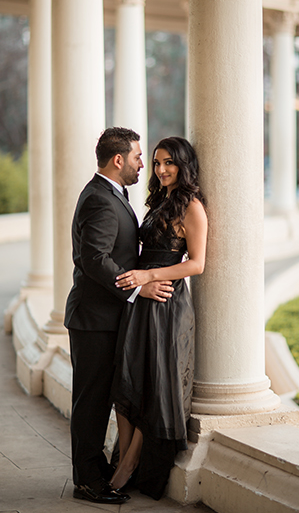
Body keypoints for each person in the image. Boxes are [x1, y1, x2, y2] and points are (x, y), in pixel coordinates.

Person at [65, 127, 174, 505]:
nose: (143, 163)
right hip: (93, 320)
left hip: (106, 318)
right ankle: (87, 481)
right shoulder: (99, 198)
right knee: (91, 402)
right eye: (139, 157)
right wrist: (138, 287)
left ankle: (95, 471)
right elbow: (94, 259)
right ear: (118, 160)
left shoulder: (111, 194)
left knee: (100, 399)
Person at [109, 136, 207, 500]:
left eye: (169, 163)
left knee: (154, 382)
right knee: (127, 378)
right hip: (141, 299)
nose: (161, 169)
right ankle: (123, 455)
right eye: (155, 163)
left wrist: (148, 277)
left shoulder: (192, 206)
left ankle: (131, 462)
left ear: (183, 165)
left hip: (166, 302)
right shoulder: (158, 201)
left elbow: (197, 263)